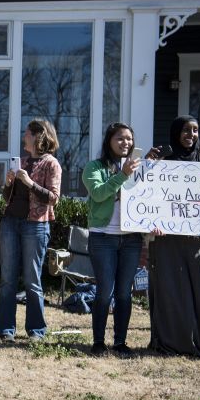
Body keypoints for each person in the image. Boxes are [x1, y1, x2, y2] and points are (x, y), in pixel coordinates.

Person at [0, 119, 61, 342]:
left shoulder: (51, 164)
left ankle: (36, 330)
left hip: (36, 225)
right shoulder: (21, 161)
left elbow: (54, 198)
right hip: (10, 223)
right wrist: (8, 183)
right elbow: (7, 197)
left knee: (32, 280)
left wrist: (30, 182)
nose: (24, 136)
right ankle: (6, 329)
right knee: (7, 279)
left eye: (27, 133)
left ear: (38, 136)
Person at [81, 122, 143, 356]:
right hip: (103, 237)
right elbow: (98, 194)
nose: (125, 142)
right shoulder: (94, 167)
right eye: (120, 138)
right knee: (104, 291)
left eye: (129, 138)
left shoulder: (139, 168)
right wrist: (122, 175)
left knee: (124, 293)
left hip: (131, 239)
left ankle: (120, 342)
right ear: (109, 141)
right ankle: (98, 341)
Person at [147, 115, 200, 358]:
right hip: (167, 240)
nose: (190, 135)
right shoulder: (161, 163)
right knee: (170, 291)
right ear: (175, 133)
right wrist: (147, 164)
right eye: (185, 130)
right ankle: (171, 342)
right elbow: (146, 198)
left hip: (198, 240)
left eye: (194, 130)